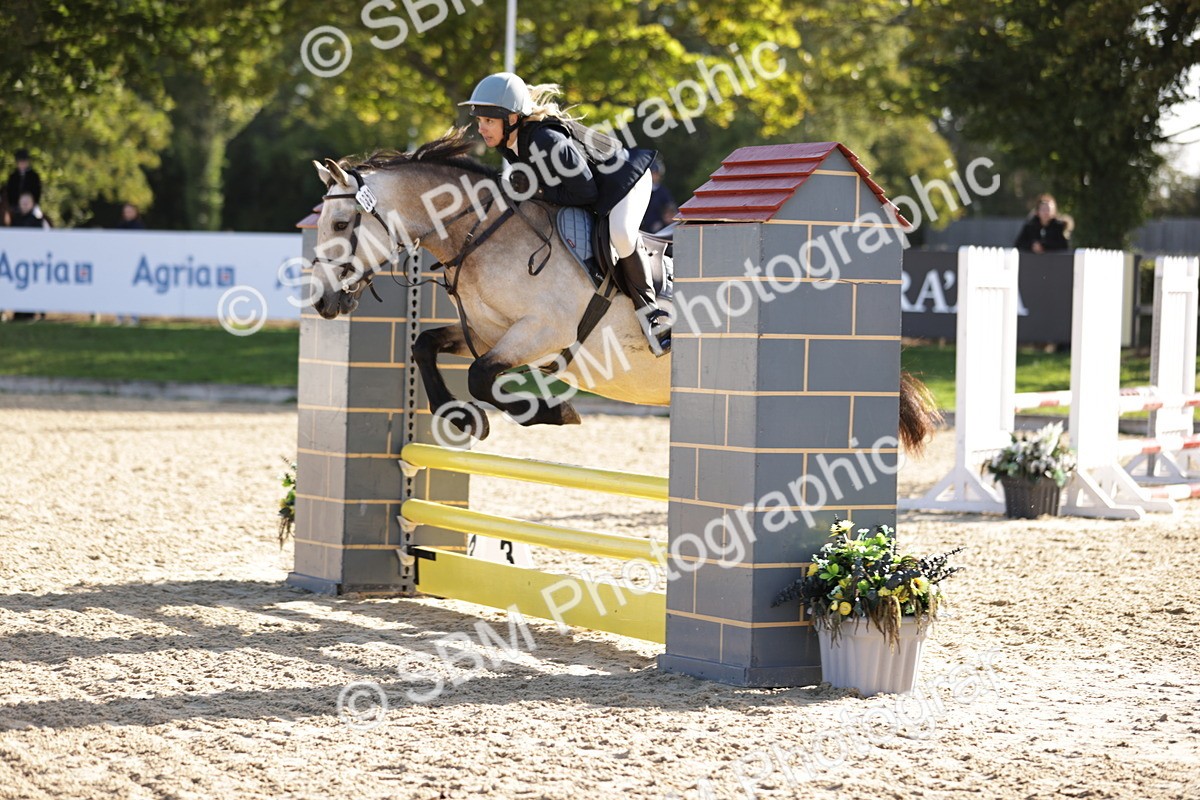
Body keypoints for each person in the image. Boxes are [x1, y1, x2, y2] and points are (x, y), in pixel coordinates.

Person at [459, 72, 671, 355]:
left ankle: (653, 316)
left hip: (625, 180)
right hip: (598, 185)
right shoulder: (511, 144)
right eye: (479, 121)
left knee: (620, 234)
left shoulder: (544, 140)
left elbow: (586, 193)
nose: (482, 128)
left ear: (511, 119)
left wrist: (538, 192)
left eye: (488, 120)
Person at [640, 158, 677, 234]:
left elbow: (670, 208)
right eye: (652, 173)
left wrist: (663, 222)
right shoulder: (641, 190)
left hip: (658, 227)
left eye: (656, 174)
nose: (654, 176)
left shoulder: (663, 192)